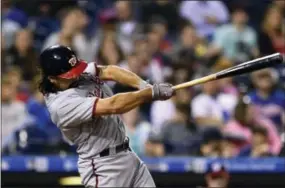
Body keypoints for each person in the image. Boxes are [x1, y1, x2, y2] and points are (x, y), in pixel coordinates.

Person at [39, 45, 174, 187]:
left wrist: (145, 86)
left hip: (128, 156)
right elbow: (113, 106)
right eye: (69, 74)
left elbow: (109, 71)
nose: (76, 75)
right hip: (104, 168)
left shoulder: (76, 72)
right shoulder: (61, 105)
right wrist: (149, 94)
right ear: (52, 79)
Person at [249, 68, 285, 133]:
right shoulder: (250, 98)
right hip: (257, 134)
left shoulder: (281, 97)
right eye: (261, 77)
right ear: (255, 81)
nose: (264, 80)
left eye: (267, 77)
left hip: (277, 132)